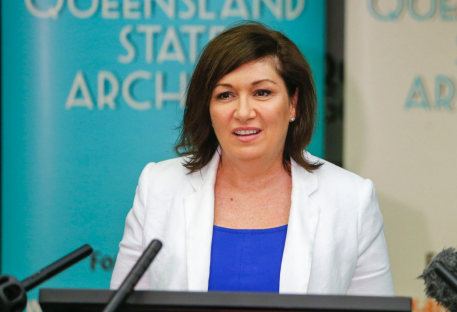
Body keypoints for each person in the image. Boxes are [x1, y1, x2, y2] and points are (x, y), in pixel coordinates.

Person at [110, 22, 394, 295]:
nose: (243, 111)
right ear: (208, 108)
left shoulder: (351, 199)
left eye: (262, 92)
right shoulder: (158, 187)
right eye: (225, 95)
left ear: (293, 103)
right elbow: (123, 304)